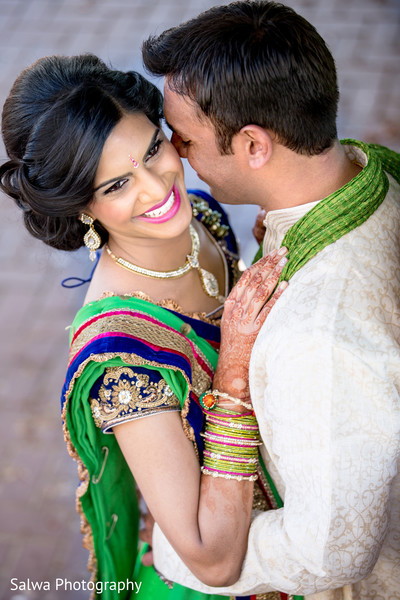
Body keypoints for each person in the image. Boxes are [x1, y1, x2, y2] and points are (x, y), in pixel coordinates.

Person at [0, 53, 289, 599]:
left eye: (153, 150)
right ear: (81, 208)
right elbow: (211, 558)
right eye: (115, 187)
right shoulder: (121, 359)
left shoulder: (200, 217)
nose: (157, 190)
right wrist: (229, 381)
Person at [142, 1, 400, 599]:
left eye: (185, 138)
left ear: (254, 145)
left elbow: (331, 549)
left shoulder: (317, 335)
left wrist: (183, 558)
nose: (175, 156)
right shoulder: (369, 170)